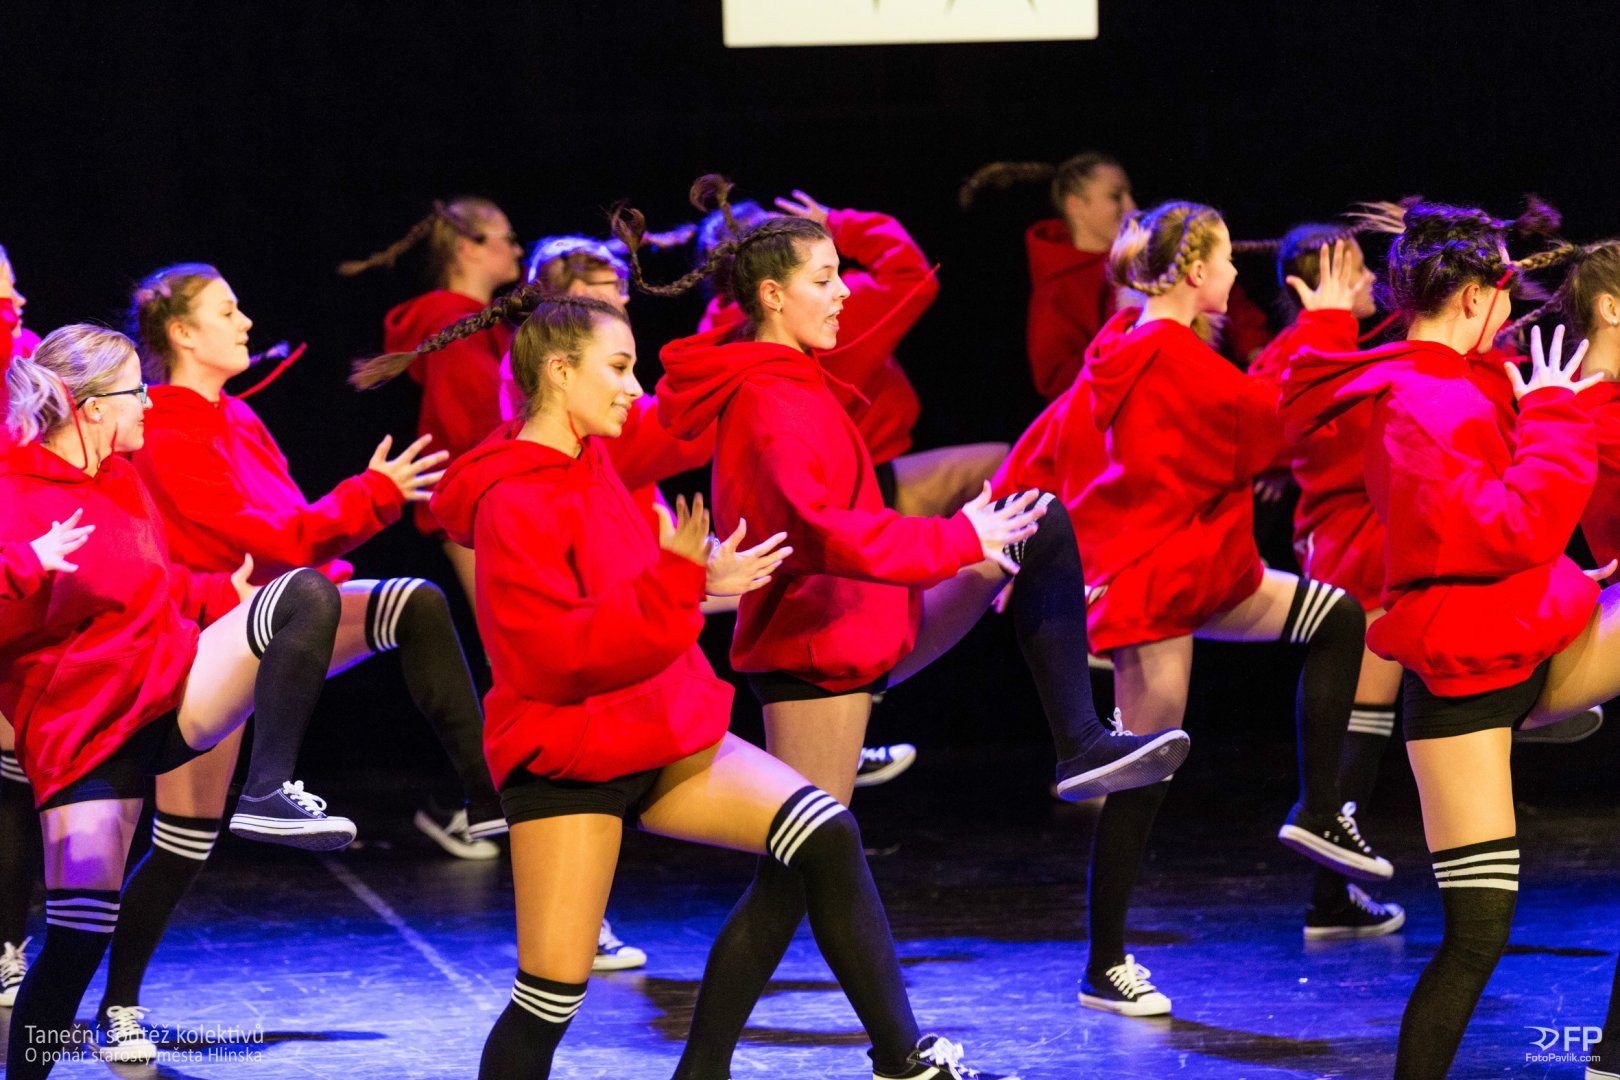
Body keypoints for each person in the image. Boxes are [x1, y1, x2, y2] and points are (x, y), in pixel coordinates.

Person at [614, 175, 1189, 1079]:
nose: (844, 293)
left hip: (870, 617)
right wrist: (956, 538)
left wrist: (971, 537)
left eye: (840, 275)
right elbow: (820, 530)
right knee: (796, 871)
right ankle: (819, 1059)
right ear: (772, 295)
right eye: (825, 279)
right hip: (816, 647)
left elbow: (908, 281)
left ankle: (1080, 741)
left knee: (1035, 521)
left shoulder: (794, 371)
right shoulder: (766, 397)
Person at [425, 290, 1018, 1079]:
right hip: (570, 757)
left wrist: (702, 582)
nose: (635, 388)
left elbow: (627, 598)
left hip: (661, 728)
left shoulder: (592, 462)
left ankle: (894, 1061)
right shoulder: (512, 498)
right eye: (619, 368)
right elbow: (554, 657)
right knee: (549, 999)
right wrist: (677, 582)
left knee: (825, 831)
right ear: (560, 373)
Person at [997, 201, 1391, 1018]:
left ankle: (1320, 812)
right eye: (1226, 259)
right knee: (1143, 775)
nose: (1237, 273)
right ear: (1195, 271)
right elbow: (1271, 425)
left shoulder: (1126, 344)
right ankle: (1104, 965)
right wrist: (1322, 326)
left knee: (1338, 617)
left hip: (1208, 573)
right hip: (1158, 589)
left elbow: (1050, 438)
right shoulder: (1168, 354)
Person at [1280, 199, 1620, 1079]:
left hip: (1526, 638)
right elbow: (1510, 527)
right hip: (1470, 677)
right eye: (1501, 293)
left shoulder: (1454, 380)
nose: (1511, 312)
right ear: (1472, 297)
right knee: (1477, 935)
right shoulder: (1423, 401)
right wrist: (1555, 417)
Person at [1, 325, 353, 1078]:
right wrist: (28, 565)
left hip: (167, 694)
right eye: (137, 390)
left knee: (305, 596)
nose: (150, 403)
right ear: (93, 407)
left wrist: (216, 595)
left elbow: (148, 591)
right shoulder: (14, 492)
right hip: (88, 739)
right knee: (76, 944)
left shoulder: (121, 480)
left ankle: (267, 792)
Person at [1248, 229, 1406, 940]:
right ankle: (1330, 891)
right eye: (1355, 269)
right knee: (1363, 717)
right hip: (1351, 541)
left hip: (1357, 534)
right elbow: (1276, 413)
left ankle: (1332, 895)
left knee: (1369, 711)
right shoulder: (1314, 347)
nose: (1370, 278)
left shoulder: (1335, 345)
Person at [959, 153, 1272, 397]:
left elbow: (1231, 304)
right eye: (1115, 196)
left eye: (1129, 194)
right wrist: (1125, 345)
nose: (1131, 206)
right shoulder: (1058, 289)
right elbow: (1057, 382)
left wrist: (1258, 354)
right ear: (1075, 205)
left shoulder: (1151, 249)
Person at [339, 198, 525, 604]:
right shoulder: (453, 326)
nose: (517, 249)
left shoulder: (482, 325)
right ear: (468, 247)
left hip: (492, 500)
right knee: (518, 634)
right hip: (482, 506)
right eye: (509, 237)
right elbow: (474, 426)